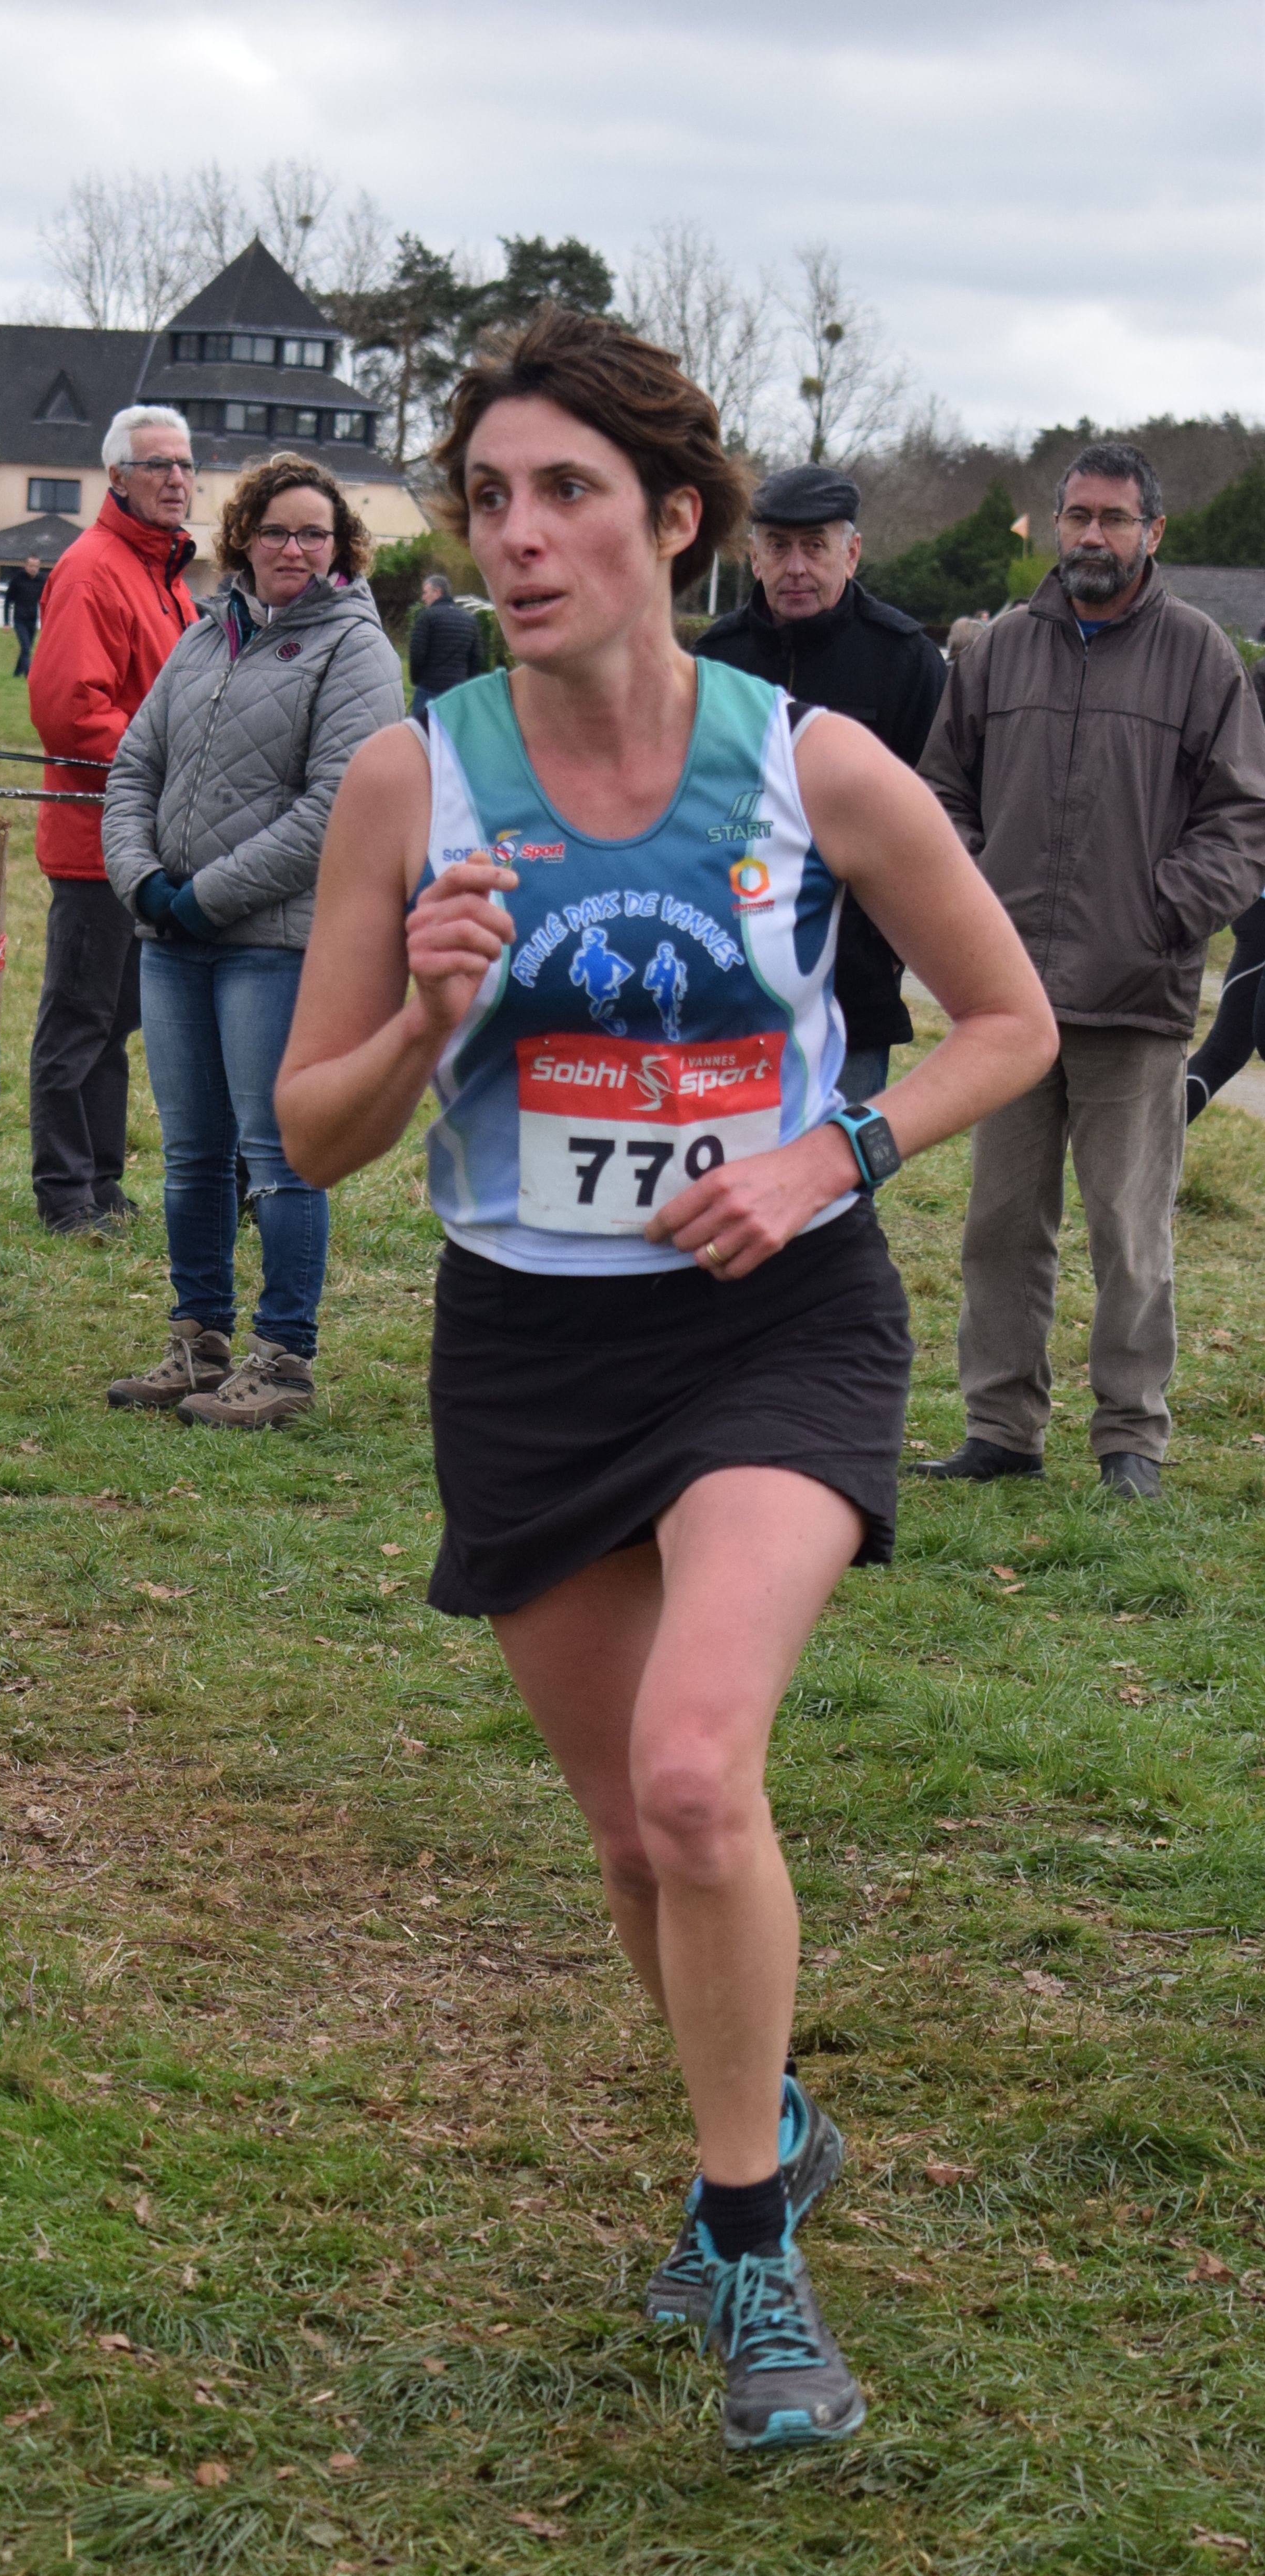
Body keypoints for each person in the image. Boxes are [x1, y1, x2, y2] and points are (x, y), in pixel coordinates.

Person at [273, 306, 1055, 2454]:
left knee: (700, 1771)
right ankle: (765, 2115)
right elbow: (313, 1136)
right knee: (633, 1837)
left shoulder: (812, 764)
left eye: (569, 494)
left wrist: (831, 1151)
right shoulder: (411, 778)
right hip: (530, 1343)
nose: (518, 537)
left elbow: (1008, 1022)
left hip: (775, 1315)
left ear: (676, 520)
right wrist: (424, 1019)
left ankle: (748, 2246)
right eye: (489, 497)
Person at [915, 442, 1265, 1499]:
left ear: (1152, 533)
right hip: (1007, 1002)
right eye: (1077, 516)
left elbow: (1241, 814)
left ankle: (1129, 1440)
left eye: (1114, 518)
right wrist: (973, 903)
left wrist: (1165, 913)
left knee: (1129, 1233)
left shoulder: (1199, 656)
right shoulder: (996, 652)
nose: (1092, 536)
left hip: (1134, 997)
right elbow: (940, 794)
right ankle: (1000, 1428)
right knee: (997, 1228)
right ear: (1056, 524)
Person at [102, 451, 402, 1426]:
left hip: (273, 945)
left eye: (315, 533)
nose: (294, 549)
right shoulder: (205, 635)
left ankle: (283, 1360)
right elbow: (134, 767)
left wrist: (209, 897)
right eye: (277, 531)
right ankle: (198, 1343)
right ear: (245, 538)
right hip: (172, 934)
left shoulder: (356, 651)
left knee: (278, 1157)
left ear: (341, 546)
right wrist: (143, 880)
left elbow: (336, 808)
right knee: (192, 1155)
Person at [696, 466, 946, 1105]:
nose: (796, 567)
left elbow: (940, 808)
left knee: (839, 1161)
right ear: (753, 556)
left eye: (815, 546)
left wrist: (889, 945)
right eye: (778, 546)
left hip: (851, 982)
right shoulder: (715, 662)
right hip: (729, 969)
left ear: (851, 552)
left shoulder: (904, 660)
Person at [26, 404, 196, 1236]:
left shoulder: (165, 575)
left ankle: (102, 1181)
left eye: (186, 464)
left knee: (117, 1022)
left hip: (147, 842)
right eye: (159, 464)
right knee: (79, 1018)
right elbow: (69, 712)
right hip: (98, 840)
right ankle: (64, 1191)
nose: (177, 479)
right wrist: (169, 766)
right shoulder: (94, 569)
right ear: (117, 477)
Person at [1187, 659, 1265, 1120]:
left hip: (1252, 900)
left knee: (1225, 1051)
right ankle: (1147, 1154)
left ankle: (1149, 1153)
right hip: (1257, 905)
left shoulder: (1245, 727)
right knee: (1226, 1049)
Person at [407, 566, 486, 721]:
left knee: (421, 732)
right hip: (457, 691)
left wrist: (417, 680)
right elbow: (477, 658)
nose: (423, 598)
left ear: (437, 593)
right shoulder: (469, 620)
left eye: (426, 593)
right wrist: (465, 683)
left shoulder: (427, 618)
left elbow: (417, 654)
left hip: (429, 689)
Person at [5, 553, 44, 678]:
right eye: (31, 566)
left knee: (27, 648)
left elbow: (44, 602)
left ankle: (17, 674)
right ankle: (29, 675)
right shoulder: (18, 580)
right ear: (26, 566)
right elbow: (8, 601)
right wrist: (6, 622)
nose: (33, 569)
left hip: (32, 620)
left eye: (36, 567)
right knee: (26, 647)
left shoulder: (41, 581)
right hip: (19, 620)